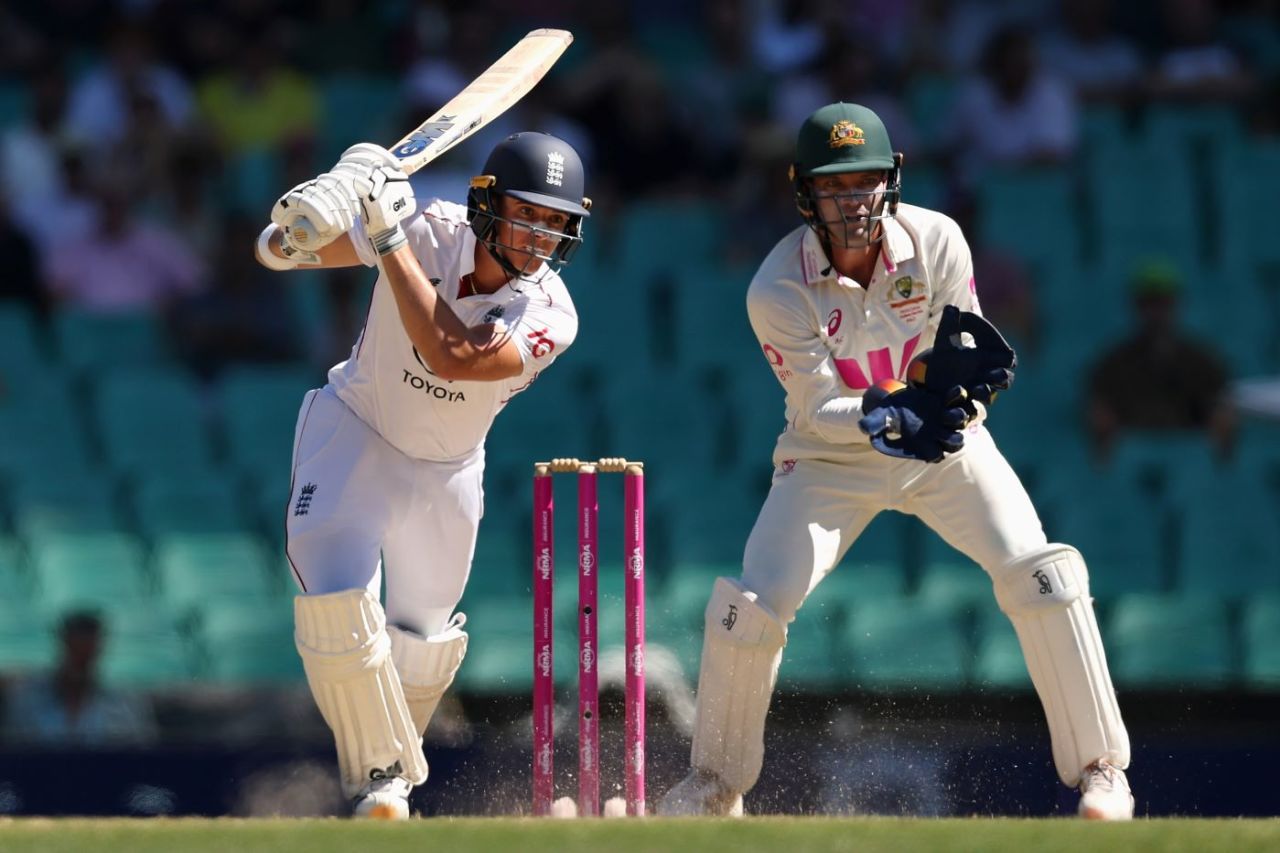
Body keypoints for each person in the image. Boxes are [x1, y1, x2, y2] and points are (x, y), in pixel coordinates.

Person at [657, 103, 1133, 820]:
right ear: (804, 193)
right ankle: (716, 784)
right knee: (750, 604)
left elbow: (962, 366)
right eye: (834, 186)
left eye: (865, 182)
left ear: (890, 182)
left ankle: (1103, 773)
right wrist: (884, 414)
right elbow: (817, 406)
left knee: (1043, 572)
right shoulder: (776, 285)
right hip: (828, 458)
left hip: (942, 450)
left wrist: (952, 411)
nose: (853, 202)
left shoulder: (938, 240)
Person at [254, 131, 590, 819]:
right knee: (337, 610)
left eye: (556, 224)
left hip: (448, 473)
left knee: (424, 645)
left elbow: (452, 356)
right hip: (356, 435)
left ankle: (384, 788)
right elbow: (278, 253)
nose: (539, 238)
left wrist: (385, 238)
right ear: (489, 205)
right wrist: (326, 200)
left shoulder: (553, 313)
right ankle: (384, 781)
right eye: (528, 214)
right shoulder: (427, 226)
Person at [1087, 260, 1234, 461]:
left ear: (1176, 304)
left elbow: (1221, 418)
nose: (1157, 312)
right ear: (1136, 305)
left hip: (1192, 466)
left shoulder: (1203, 361)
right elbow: (1100, 421)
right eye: (1149, 302)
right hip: (1131, 464)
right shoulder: (1113, 363)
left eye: (1164, 302)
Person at [2, 611, 157, 747]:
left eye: (87, 653)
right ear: (62, 646)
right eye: (75, 651)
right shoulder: (27, 701)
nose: (80, 661)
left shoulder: (125, 705)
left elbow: (142, 757)